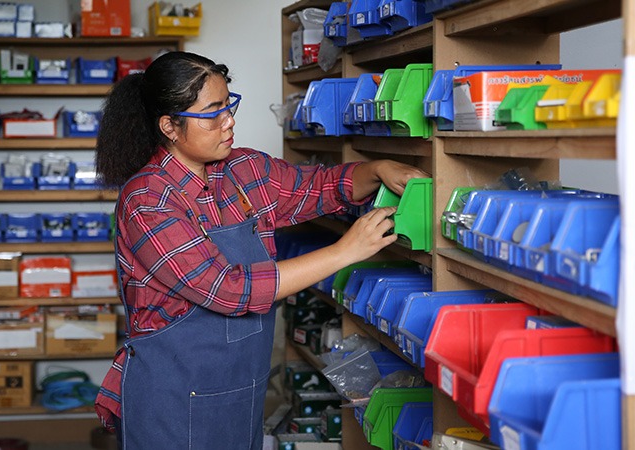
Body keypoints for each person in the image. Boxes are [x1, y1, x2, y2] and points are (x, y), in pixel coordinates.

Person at [93, 51, 428, 449]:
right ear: (170, 126)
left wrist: (377, 169)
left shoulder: (242, 170)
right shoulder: (147, 200)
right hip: (171, 399)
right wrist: (344, 252)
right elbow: (229, 289)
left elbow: (318, 186)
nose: (229, 121)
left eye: (229, 104)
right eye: (212, 112)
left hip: (239, 392)